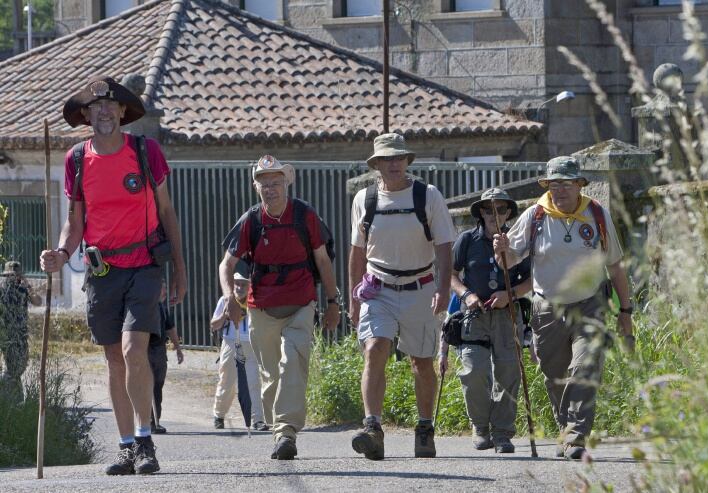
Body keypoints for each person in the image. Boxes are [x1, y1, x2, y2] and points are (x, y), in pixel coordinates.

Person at [39, 76, 187, 475]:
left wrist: (180, 270)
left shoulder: (145, 151)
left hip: (145, 265)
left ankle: (144, 441)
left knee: (132, 350)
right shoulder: (76, 160)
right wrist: (60, 252)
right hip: (101, 269)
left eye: (111, 106)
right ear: (86, 116)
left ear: (123, 112)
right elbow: (74, 222)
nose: (104, 112)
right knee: (113, 360)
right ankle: (125, 447)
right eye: (95, 107)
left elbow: (168, 213)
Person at [493, 156, 634, 460]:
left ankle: (576, 435)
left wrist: (626, 310)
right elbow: (510, 259)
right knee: (554, 374)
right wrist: (501, 251)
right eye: (553, 183)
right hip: (547, 308)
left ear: (579, 184)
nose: (559, 190)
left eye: (566, 183)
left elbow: (616, 267)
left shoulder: (596, 214)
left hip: (590, 304)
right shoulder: (535, 215)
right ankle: (566, 426)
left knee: (584, 367)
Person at [219, 155, 339, 460]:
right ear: (256, 187)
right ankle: (278, 429)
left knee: (292, 365)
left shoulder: (304, 215)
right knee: (270, 374)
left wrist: (333, 301)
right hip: (261, 307)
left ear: (286, 183)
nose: (270, 189)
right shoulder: (252, 220)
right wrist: (231, 300)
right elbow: (227, 264)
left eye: (275, 183)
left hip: (301, 302)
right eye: (264, 184)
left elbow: (323, 260)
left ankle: (286, 432)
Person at [349, 133, 456, 460]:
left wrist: (443, 288)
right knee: (375, 348)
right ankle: (373, 428)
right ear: (377, 164)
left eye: (399, 158)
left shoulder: (428, 196)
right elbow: (357, 252)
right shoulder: (364, 200)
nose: (393, 164)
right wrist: (354, 301)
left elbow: (444, 245)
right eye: (387, 159)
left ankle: (424, 428)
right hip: (377, 287)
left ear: (407, 161)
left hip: (420, 287)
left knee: (421, 362)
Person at [440, 188, 531, 454]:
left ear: (508, 213)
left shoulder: (517, 242)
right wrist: (466, 295)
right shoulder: (467, 240)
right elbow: (450, 275)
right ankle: (480, 427)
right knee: (474, 371)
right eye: (489, 210)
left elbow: (531, 280)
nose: (495, 214)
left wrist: (509, 294)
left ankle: (502, 433)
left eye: (501, 209)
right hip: (474, 316)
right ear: (481, 212)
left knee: (508, 373)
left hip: (507, 315)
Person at [210, 272, 268, 432]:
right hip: (230, 342)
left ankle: (257, 419)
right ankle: (219, 415)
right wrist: (225, 315)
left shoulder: (253, 301)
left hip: (250, 344)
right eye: (237, 283)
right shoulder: (225, 301)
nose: (239, 287)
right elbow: (214, 325)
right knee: (226, 381)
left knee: (253, 382)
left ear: (249, 286)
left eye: (243, 284)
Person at [0, 261, 42, 399]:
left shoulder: (23, 289)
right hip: (5, 334)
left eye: (15, 276)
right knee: (10, 366)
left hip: (20, 334)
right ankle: (10, 396)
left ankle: (13, 394)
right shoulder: (1, 289)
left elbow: (38, 302)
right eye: (9, 276)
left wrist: (27, 284)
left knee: (21, 364)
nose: (12, 278)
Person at [148, 278, 184, 434]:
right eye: (162, 288)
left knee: (158, 386)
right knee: (147, 386)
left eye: (165, 288)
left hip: (160, 350)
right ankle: (149, 422)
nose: (165, 291)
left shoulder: (162, 308)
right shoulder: (147, 308)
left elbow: (171, 328)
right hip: (147, 350)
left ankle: (156, 421)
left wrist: (178, 348)